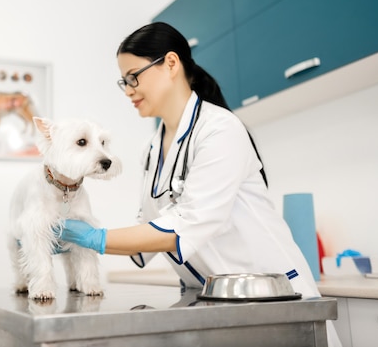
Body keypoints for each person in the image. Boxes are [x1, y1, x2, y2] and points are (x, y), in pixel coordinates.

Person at [59, 22, 341, 345]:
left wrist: (95, 238)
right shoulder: (151, 149)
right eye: (124, 81)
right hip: (217, 305)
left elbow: (184, 226)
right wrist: (74, 233)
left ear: (170, 64)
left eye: (134, 77)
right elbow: (148, 232)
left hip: (274, 302)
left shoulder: (220, 130)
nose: (128, 90)